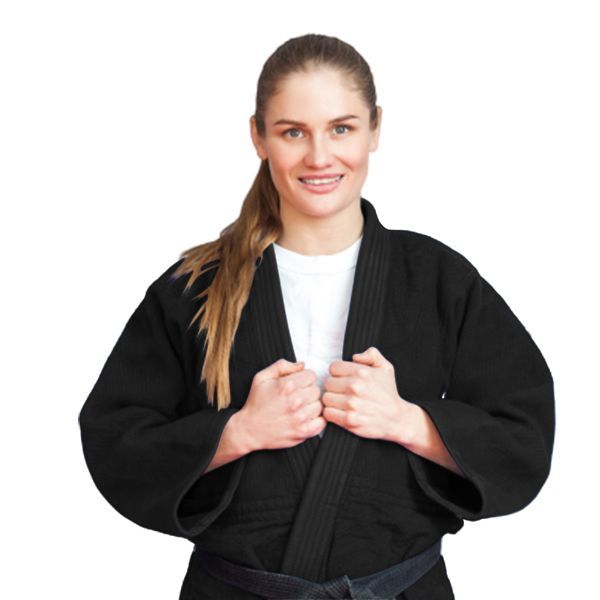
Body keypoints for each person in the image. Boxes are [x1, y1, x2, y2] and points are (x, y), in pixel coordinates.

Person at [78, 33, 555, 600]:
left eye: (342, 127)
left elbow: (525, 435)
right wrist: (238, 432)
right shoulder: (195, 287)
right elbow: (115, 441)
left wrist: (407, 421)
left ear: (375, 128)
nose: (320, 157)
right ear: (258, 136)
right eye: (292, 132)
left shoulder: (435, 277)